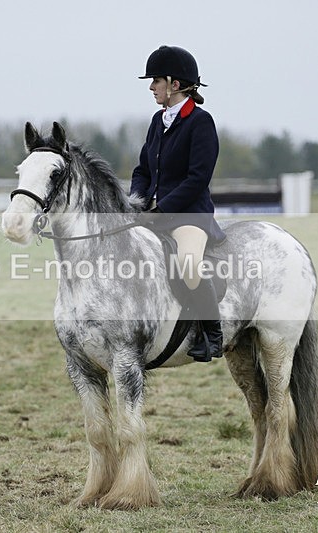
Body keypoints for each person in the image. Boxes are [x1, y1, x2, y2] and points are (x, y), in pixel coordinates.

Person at [131, 45, 226, 362]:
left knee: (187, 263)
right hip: (154, 215)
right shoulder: (158, 122)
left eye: (156, 80)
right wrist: (137, 202)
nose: (151, 86)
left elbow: (197, 178)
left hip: (189, 216)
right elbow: (142, 170)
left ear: (174, 83)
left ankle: (212, 333)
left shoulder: (201, 122)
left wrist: (162, 209)